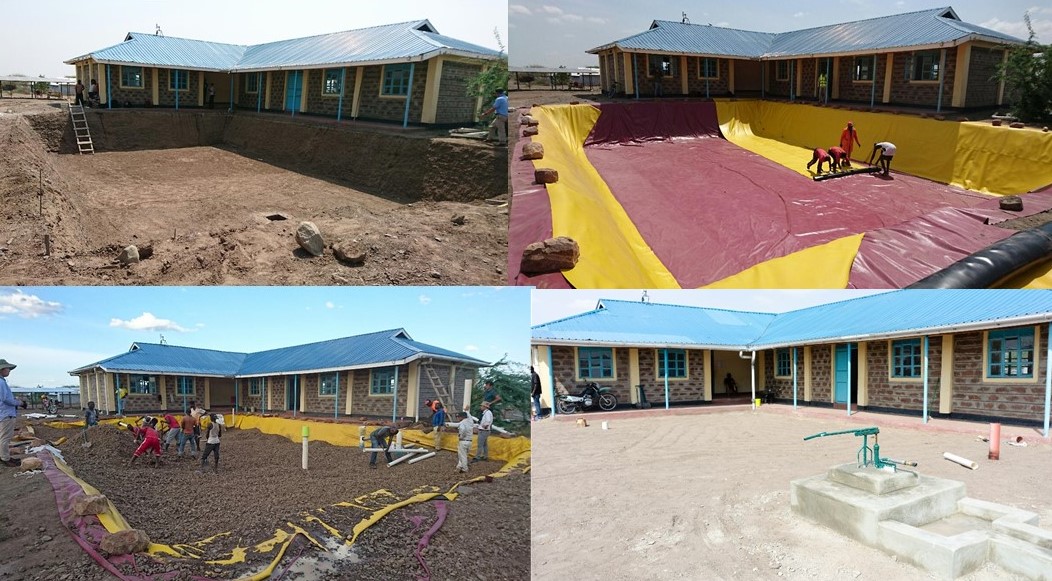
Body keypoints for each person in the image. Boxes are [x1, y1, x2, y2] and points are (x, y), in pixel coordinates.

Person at [0, 359, 26, 467]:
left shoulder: (2, 382)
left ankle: (4, 456)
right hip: (6, 414)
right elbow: (5, 399)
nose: (9, 371)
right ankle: (5, 458)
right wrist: (18, 403)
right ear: (2, 369)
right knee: (5, 437)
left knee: (3, 437)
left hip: (4, 413)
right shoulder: (1, 382)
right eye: (7, 368)